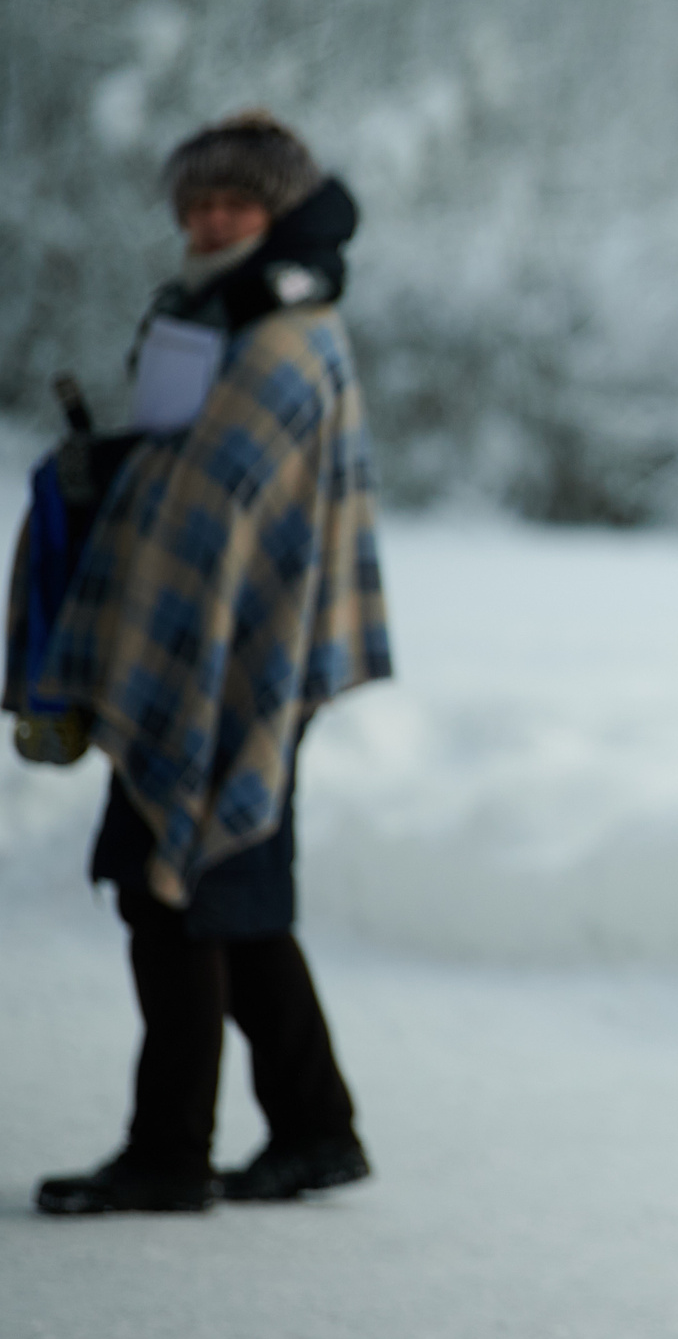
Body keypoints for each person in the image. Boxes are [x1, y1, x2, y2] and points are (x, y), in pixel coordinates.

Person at [8, 112, 393, 1215]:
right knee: (229, 888)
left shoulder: (285, 332)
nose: (211, 219)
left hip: (240, 651)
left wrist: (130, 493)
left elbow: (226, 498)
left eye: (234, 203)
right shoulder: (215, 311)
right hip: (230, 647)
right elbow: (186, 472)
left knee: (168, 881)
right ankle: (317, 1129)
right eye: (198, 204)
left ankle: (168, 1153)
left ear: (273, 211)